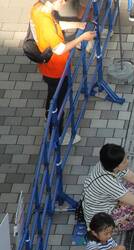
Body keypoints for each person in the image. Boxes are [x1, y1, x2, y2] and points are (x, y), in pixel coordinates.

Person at [30, 0, 95, 145]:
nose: (64, 3)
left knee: (53, 96)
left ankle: (49, 118)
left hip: (49, 68)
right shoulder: (45, 21)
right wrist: (81, 37)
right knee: (58, 102)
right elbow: (59, 49)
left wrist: (77, 25)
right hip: (56, 69)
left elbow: (56, 25)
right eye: (61, 0)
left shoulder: (39, 9)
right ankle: (57, 135)